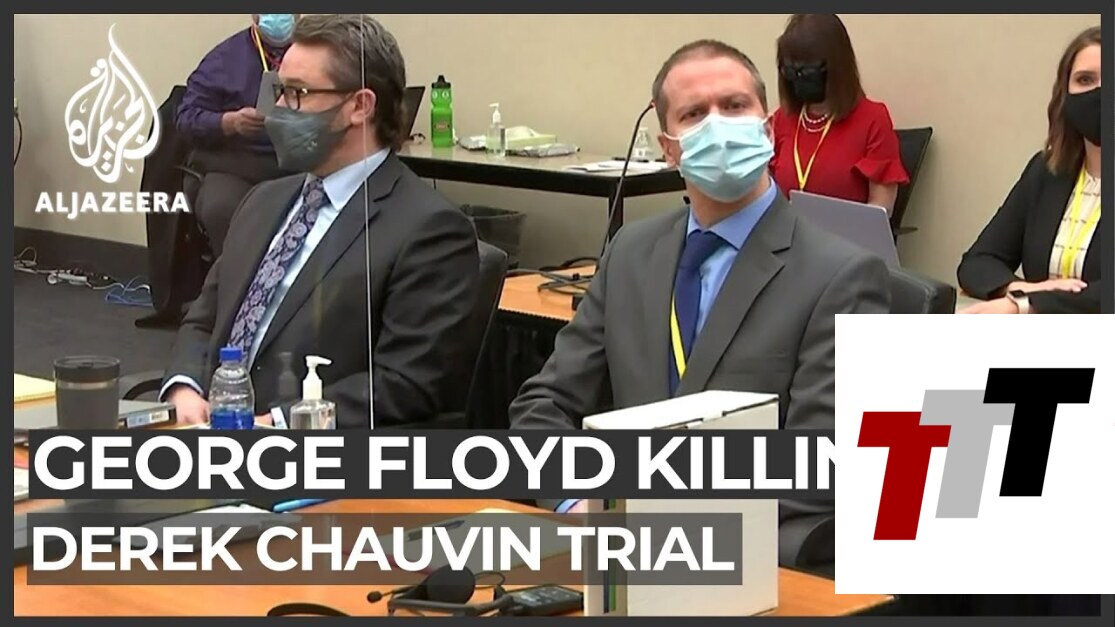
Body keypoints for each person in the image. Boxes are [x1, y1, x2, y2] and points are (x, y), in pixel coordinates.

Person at [509, 39, 890, 569]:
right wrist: (575, 502)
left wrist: (645, 520)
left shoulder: (842, 276)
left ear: (767, 129)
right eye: (694, 114)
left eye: (734, 106)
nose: (718, 126)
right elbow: (545, 403)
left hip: (744, 563)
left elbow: (820, 464)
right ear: (669, 148)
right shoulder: (630, 253)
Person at [161, 14, 481, 429]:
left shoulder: (429, 230)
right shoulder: (262, 201)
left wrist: (278, 422)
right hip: (209, 432)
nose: (278, 111)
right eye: (279, 91)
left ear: (360, 106)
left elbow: (406, 382)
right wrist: (184, 387)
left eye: (297, 93)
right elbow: (204, 320)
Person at [957, 26, 1102, 315]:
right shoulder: (1047, 171)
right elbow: (978, 262)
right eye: (1085, 80)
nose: (1099, 93)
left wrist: (1025, 306)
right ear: (1065, 94)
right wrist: (1022, 290)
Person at [177, 14, 301, 258]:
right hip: (239, 166)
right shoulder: (225, 58)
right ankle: (236, 277)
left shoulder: (319, 54)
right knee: (221, 208)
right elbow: (185, 118)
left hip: (302, 162)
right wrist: (228, 123)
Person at [769, 14, 909, 212]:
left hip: (848, 231)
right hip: (788, 230)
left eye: (808, 70)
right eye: (791, 70)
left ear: (836, 66)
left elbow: (881, 208)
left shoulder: (872, 119)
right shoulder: (782, 119)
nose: (798, 78)